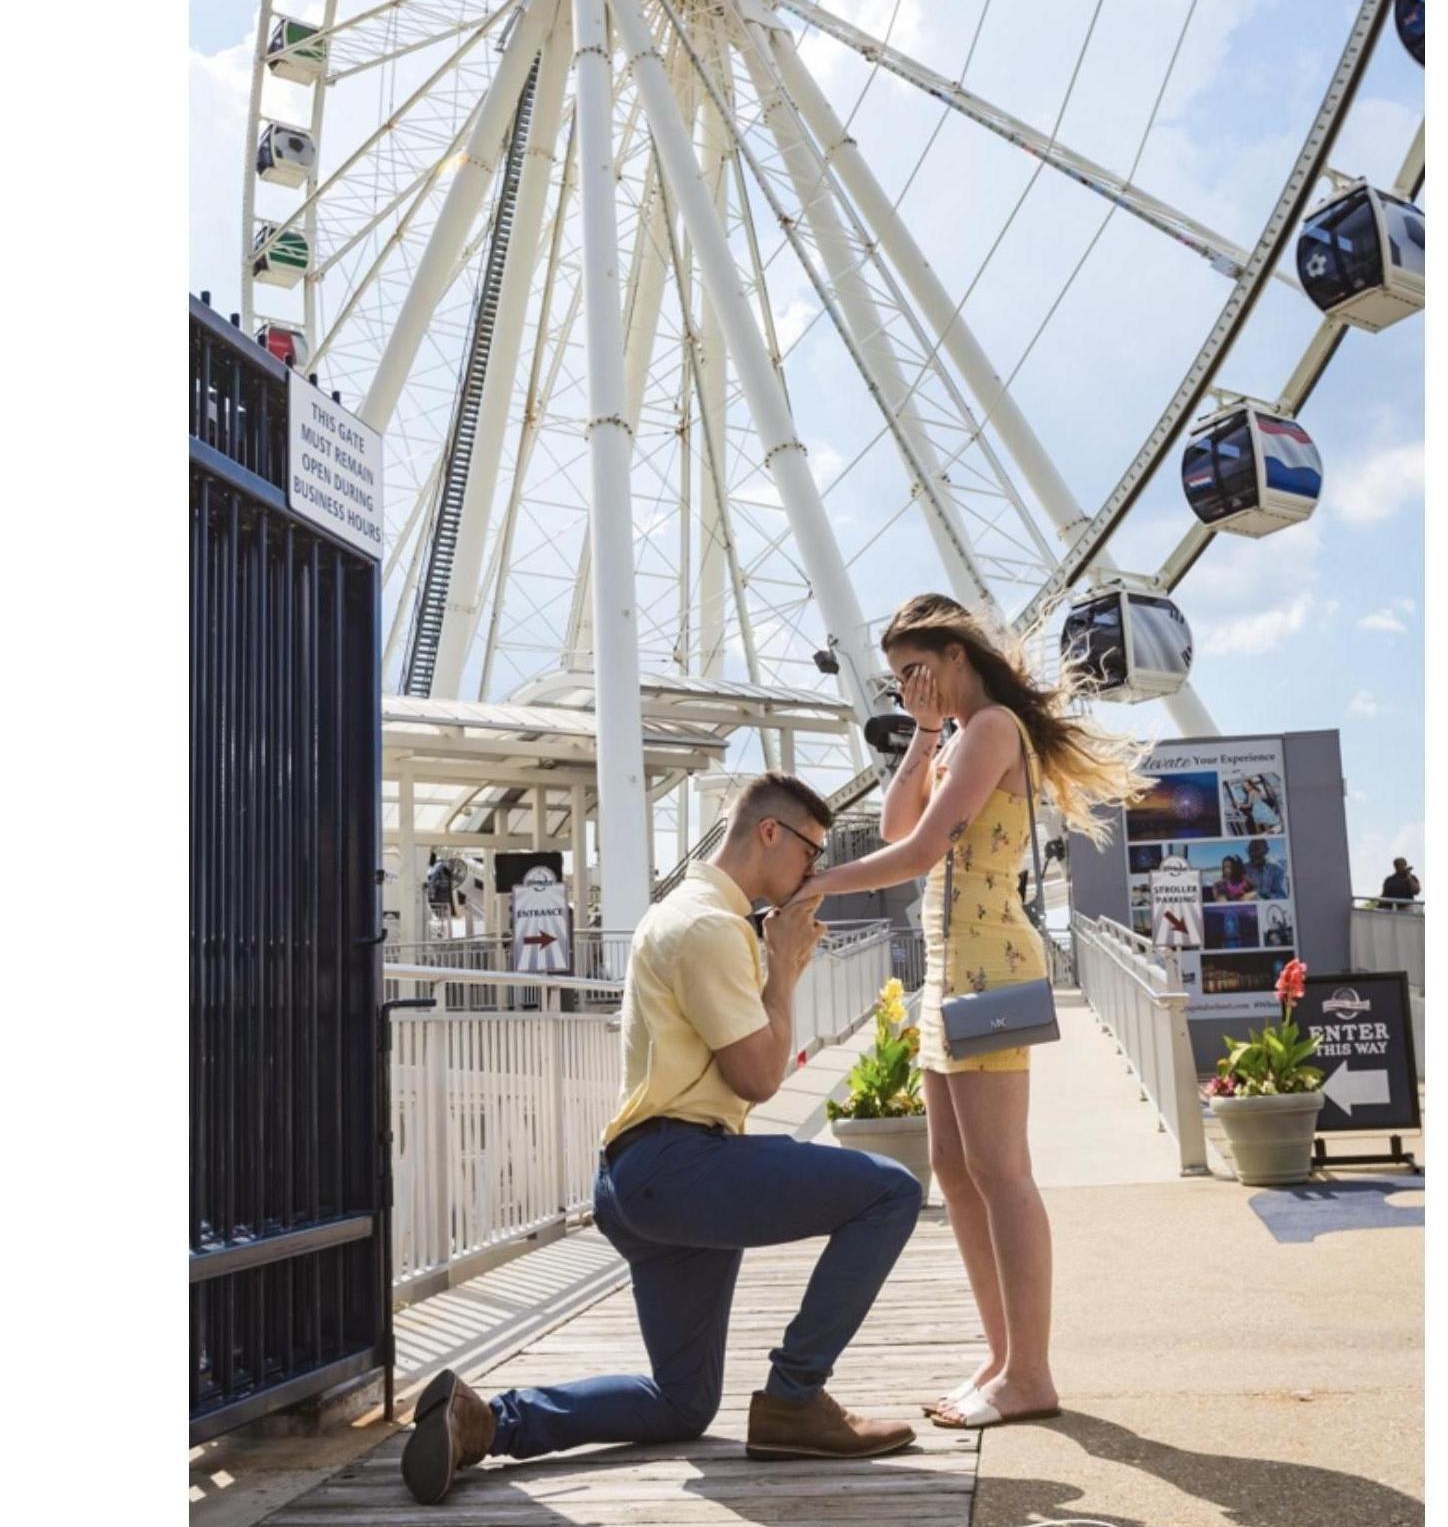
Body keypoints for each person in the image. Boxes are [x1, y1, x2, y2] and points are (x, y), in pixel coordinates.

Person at [400, 775, 924, 1505]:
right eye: (812, 851)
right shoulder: (711, 927)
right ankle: (795, 1398)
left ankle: (485, 1422)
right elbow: (759, 1078)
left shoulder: (680, 911)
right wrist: (784, 971)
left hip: (638, 1175)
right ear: (769, 834)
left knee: (683, 1403)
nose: (818, 871)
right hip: (681, 1165)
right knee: (890, 1193)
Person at [790, 594, 1149, 1432]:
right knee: (953, 1171)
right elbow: (899, 820)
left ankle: (1031, 1371)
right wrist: (919, 735)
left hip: (990, 966)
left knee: (1001, 1172)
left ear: (956, 655)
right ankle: (1001, 1359)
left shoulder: (990, 729)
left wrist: (815, 884)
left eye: (917, 671)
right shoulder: (955, 733)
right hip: (950, 969)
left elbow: (914, 854)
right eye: (898, 681)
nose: (911, 688)